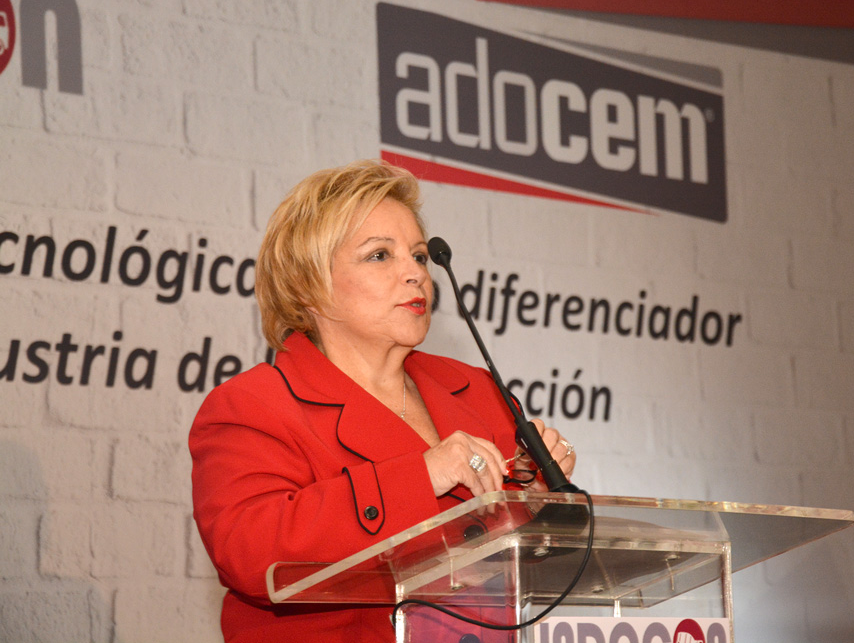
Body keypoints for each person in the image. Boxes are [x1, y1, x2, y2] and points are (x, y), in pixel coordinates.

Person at [189, 160, 577, 642]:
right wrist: (422, 475)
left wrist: (537, 497)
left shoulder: (478, 390)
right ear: (307, 285)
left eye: (419, 256)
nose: (415, 273)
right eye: (379, 255)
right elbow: (250, 553)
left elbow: (527, 570)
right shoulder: (252, 406)